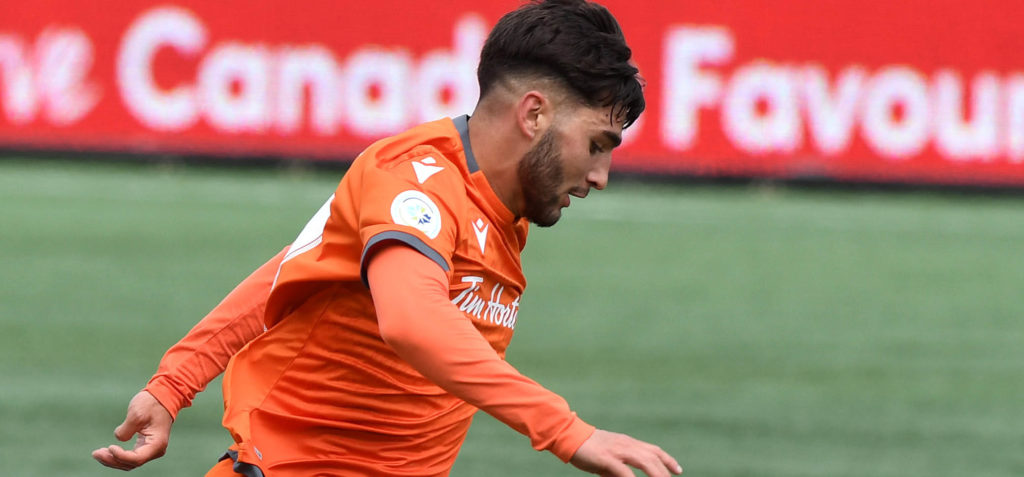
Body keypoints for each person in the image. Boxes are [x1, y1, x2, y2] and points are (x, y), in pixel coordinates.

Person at [93, 0, 682, 475]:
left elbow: (288, 274)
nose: (600, 177)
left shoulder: (506, 207)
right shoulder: (415, 181)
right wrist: (568, 433)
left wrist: (172, 385)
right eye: (598, 145)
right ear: (533, 115)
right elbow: (411, 319)